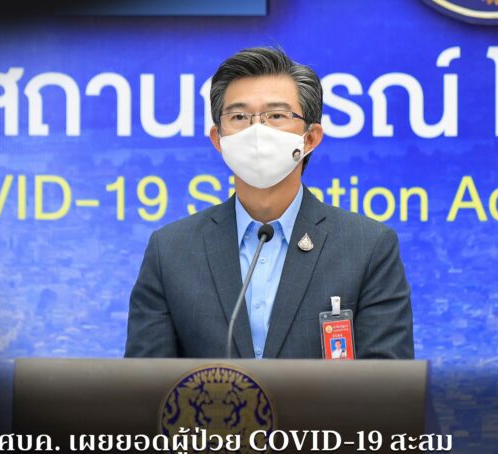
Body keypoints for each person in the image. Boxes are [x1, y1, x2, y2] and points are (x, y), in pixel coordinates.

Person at [125, 47, 414, 359]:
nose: (257, 131)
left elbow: (387, 382)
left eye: (276, 115)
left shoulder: (367, 247)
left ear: (310, 138)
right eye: (239, 117)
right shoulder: (170, 251)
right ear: (218, 139)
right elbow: (146, 382)